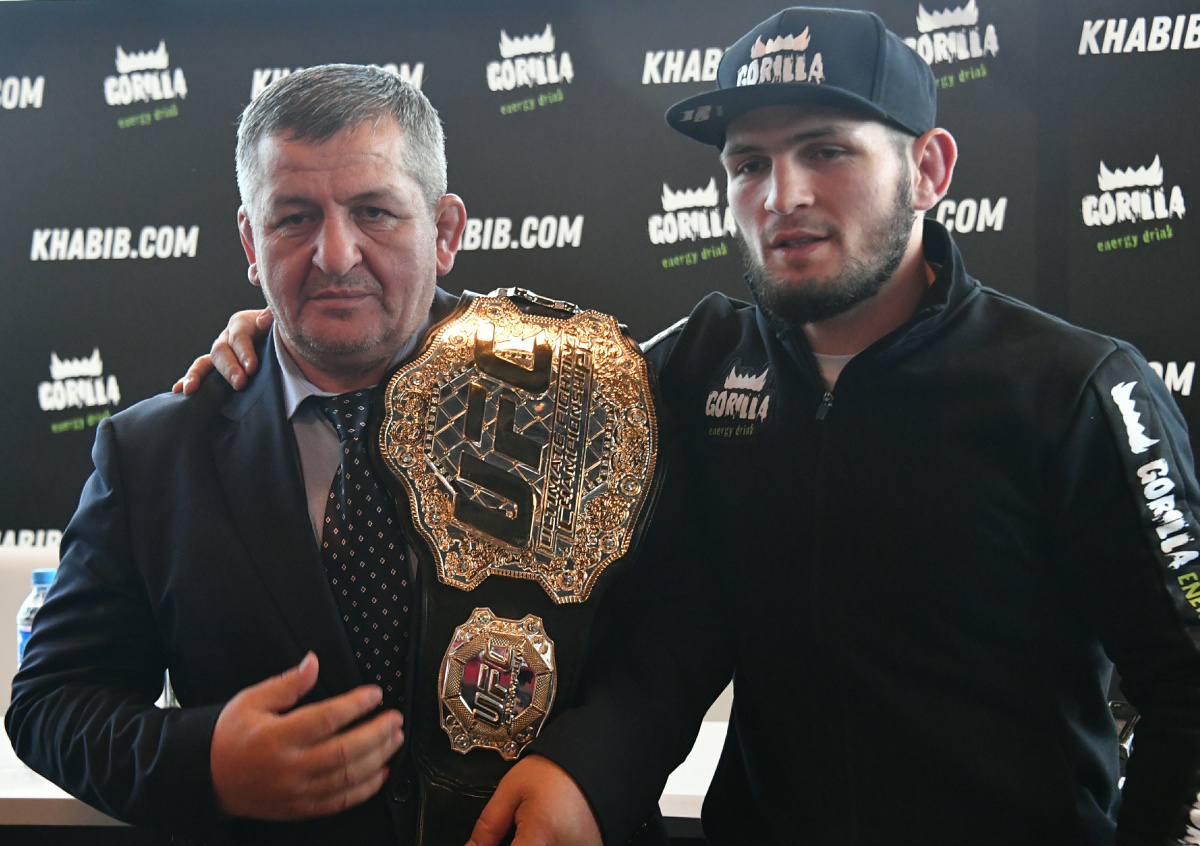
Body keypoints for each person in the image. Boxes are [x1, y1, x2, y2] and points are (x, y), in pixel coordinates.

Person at [180, 9, 1200, 846]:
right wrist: (292, 331)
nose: (784, 195)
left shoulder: (1072, 388)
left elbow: (1188, 688)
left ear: (929, 169)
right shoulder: (704, 360)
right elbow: (503, 361)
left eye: (827, 151)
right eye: (750, 164)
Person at [5, 63, 623, 846]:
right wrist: (206, 764)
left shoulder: (580, 404)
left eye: (375, 212)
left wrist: (588, 773)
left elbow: (666, 639)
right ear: (250, 241)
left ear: (444, 231)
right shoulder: (152, 455)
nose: (335, 254)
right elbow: (52, 703)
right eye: (295, 218)